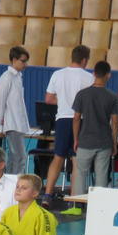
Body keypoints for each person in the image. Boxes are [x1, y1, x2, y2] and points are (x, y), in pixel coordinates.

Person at [43, 45, 93, 201]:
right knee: (77, 160)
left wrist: (64, 101)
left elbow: (48, 99)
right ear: (84, 60)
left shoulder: (57, 74)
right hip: (81, 120)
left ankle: (47, 195)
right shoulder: (89, 77)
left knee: (58, 157)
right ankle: (74, 199)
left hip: (63, 119)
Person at [70, 60, 118, 211]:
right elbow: (115, 122)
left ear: (93, 74)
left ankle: (77, 206)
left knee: (80, 174)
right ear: (108, 75)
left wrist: (76, 139)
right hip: (104, 142)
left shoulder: (82, 94)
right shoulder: (112, 97)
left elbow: (76, 118)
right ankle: (99, 208)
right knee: (101, 175)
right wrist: (114, 143)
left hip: (85, 141)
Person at [0, 45, 31, 175]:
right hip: (11, 124)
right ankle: (15, 182)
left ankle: (10, 180)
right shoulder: (7, 77)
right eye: (23, 61)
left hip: (17, 124)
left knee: (14, 157)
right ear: (14, 60)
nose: (25, 64)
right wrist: (0, 126)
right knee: (19, 157)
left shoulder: (18, 77)